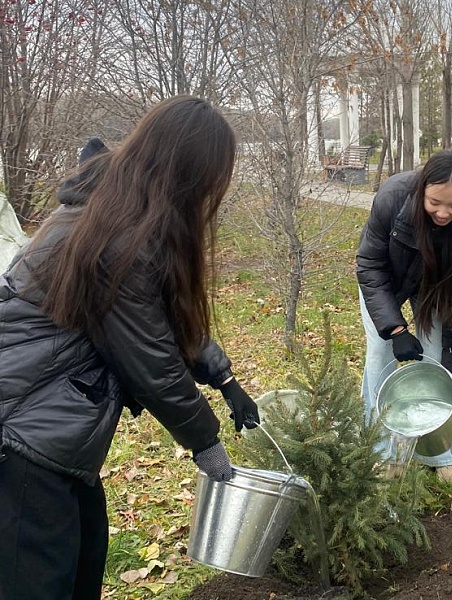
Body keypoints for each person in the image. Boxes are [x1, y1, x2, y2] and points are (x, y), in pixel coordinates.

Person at [0, 95, 260, 600]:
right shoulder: (115, 236)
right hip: (22, 430)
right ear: (188, 173)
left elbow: (160, 318)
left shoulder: (121, 214)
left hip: (54, 429)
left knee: (81, 566)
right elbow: (151, 361)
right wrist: (205, 441)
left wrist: (223, 378)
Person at [356, 148, 452, 484]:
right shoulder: (392, 198)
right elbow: (370, 266)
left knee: (435, 357)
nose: (443, 213)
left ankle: (438, 452)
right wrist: (396, 329)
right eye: (435, 203)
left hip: (433, 288)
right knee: (380, 357)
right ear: (422, 188)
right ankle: (383, 451)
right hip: (384, 281)